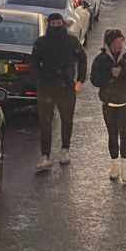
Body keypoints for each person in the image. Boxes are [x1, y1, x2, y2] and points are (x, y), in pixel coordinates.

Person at [30, 13, 87, 172]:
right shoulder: (41, 42)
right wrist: (37, 79)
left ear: (63, 23)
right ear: (49, 24)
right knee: (45, 122)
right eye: (53, 23)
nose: (56, 26)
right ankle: (45, 155)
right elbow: (34, 62)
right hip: (46, 86)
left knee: (66, 119)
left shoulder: (71, 41)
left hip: (66, 86)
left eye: (58, 23)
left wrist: (80, 79)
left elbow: (82, 57)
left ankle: (65, 150)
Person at [90, 29, 126, 184]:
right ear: (108, 44)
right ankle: (114, 165)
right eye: (115, 42)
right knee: (112, 135)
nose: (119, 45)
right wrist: (109, 75)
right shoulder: (101, 60)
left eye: (121, 41)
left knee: (125, 135)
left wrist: (124, 74)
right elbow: (94, 80)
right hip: (109, 104)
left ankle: (125, 166)